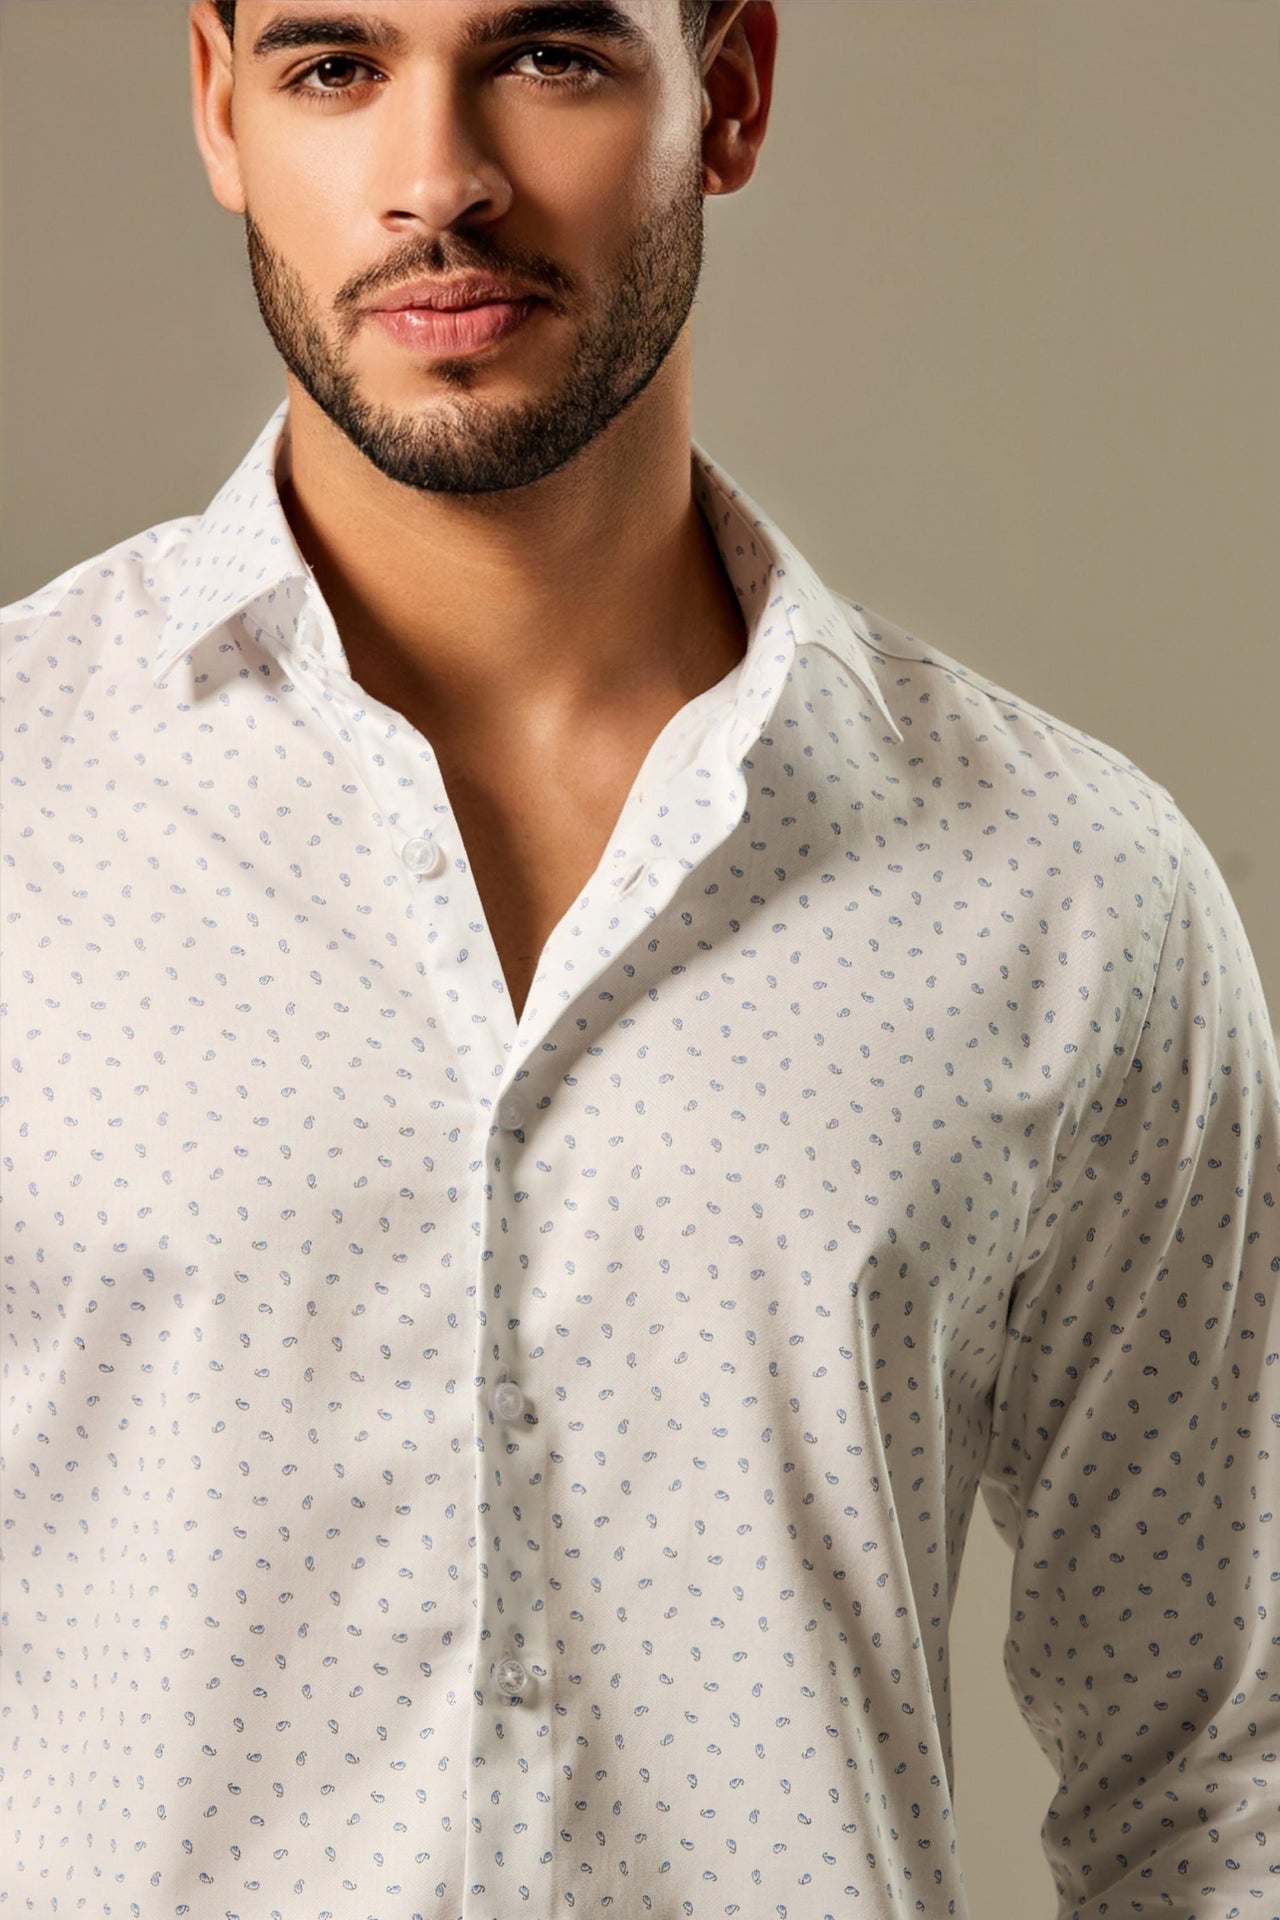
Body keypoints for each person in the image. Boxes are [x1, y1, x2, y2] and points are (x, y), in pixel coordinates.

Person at [2, 3, 1275, 1915]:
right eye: (335, 67)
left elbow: (1223, 1776)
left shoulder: (1068, 892)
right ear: (218, 103)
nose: (440, 181)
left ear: (730, 92)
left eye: (551, 58)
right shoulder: (23, 804)